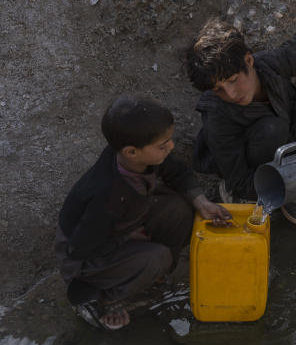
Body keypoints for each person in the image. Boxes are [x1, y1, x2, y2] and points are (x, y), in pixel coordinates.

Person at [55, 95, 232, 330]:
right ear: (131, 152)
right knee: (155, 256)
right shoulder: (106, 194)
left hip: (123, 225)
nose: (171, 147)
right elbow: (80, 247)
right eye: (162, 145)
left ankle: (155, 276)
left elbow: (177, 173)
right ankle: (108, 296)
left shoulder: (141, 159)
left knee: (180, 208)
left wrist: (202, 203)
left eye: (169, 141)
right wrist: (133, 239)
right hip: (85, 254)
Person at [184, 13, 296, 226]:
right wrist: (290, 185)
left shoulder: (273, 64)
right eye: (218, 89)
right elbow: (238, 179)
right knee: (271, 129)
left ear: (249, 61)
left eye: (233, 80)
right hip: (246, 163)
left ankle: (288, 182)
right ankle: (277, 191)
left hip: (281, 134)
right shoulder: (216, 114)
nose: (230, 94)